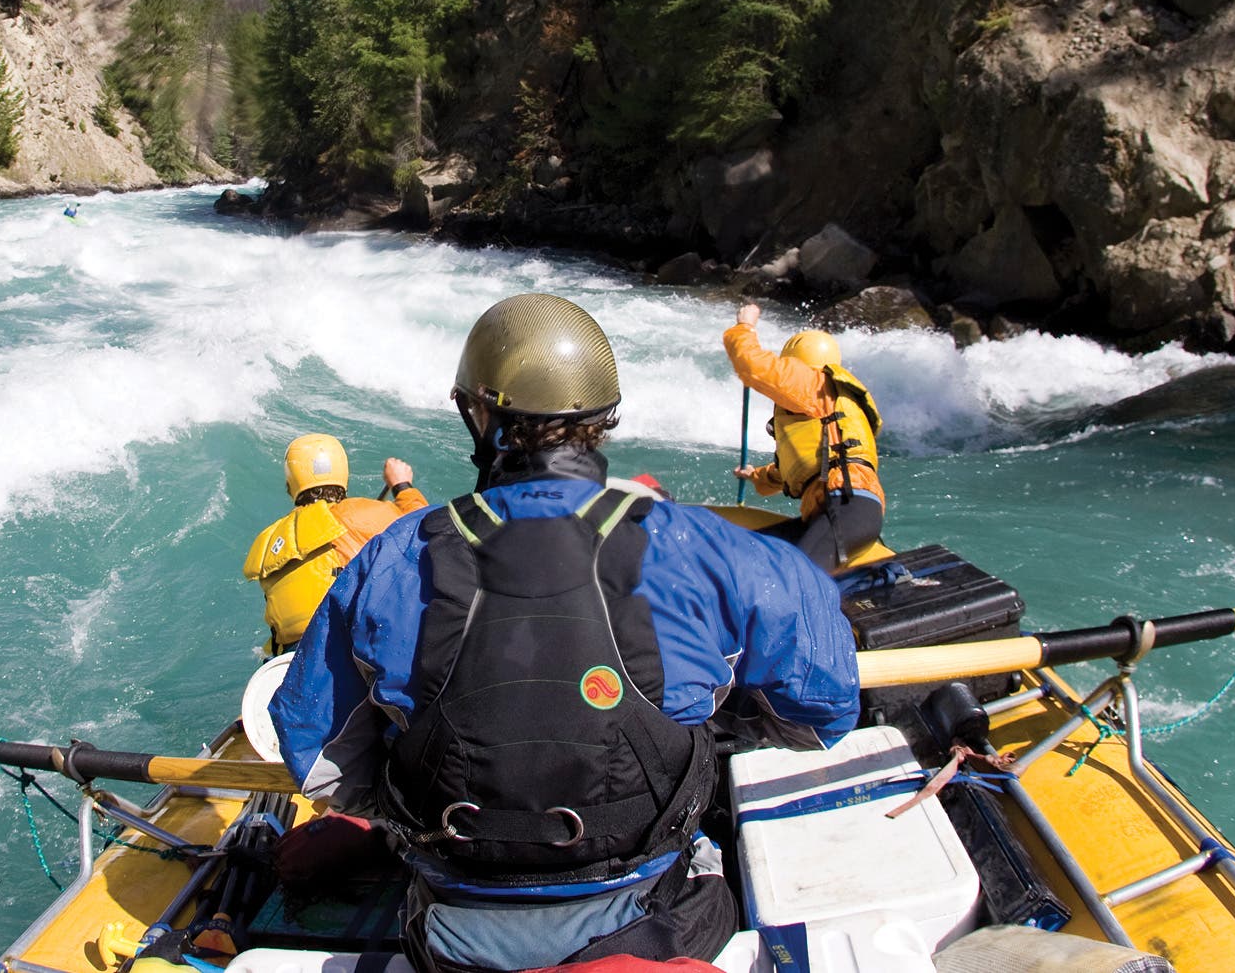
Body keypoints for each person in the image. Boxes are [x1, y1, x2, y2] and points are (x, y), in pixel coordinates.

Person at [271, 294, 860, 973]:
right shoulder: (702, 546)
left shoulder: (392, 556)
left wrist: (419, 806)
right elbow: (824, 710)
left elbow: (318, 757)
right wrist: (709, 713)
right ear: (601, 419)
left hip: (452, 940)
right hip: (659, 918)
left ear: (479, 413)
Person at [722, 303, 886, 573]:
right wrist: (756, 476)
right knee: (757, 557)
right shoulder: (829, 402)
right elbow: (797, 469)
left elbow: (751, 366)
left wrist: (745, 326)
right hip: (846, 510)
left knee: (792, 577)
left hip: (846, 508)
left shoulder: (812, 382)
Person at [242, 433, 425, 655]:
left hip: (291, 654)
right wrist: (402, 485)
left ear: (291, 486)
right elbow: (422, 525)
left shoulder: (270, 539)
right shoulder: (363, 512)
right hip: (348, 643)